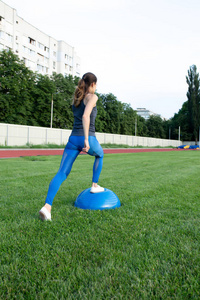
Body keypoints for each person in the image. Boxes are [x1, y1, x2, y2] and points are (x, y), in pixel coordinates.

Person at [39, 72, 104, 221]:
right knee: (100, 154)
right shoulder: (92, 97)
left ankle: (47, 207)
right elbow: (85, 116)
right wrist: (87, 140)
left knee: (62, 172)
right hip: (86, 137)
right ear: (93, 84)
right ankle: (95, 184)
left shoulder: (77, 98)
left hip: (73, 139)